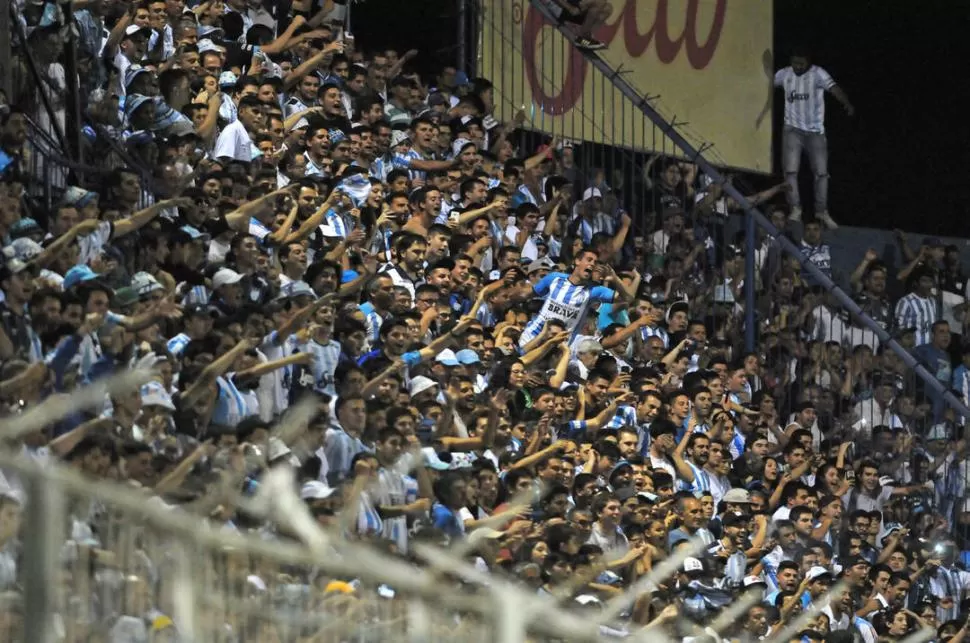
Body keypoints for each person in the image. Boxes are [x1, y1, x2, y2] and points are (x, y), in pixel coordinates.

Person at [773, 47, 854, 230]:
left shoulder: (817, 74)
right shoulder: (784, 74)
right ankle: (795, 208)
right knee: (791, 171)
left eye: (801, 64)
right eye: (795, 63)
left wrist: (846, 102)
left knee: (821, 173)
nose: (798, 67)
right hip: (792, 130)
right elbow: (766, 82)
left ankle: (821, 211)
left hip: (815, 131)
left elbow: (834, 88)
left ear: (808, 62)